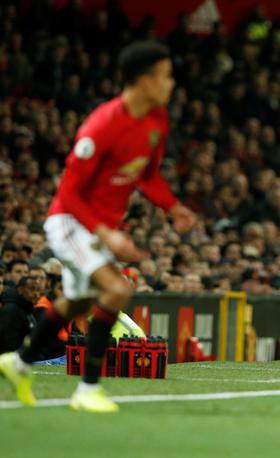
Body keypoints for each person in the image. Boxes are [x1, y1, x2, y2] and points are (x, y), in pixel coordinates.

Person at [0, 41, 196, 413]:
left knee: (81, 302)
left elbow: (149, 176)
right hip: (70, 221)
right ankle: (88, 388)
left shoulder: (157, 120)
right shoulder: (102, 125)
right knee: (117, 288)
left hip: (98, 228)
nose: (171, 84)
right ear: (144, 80)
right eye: (166, 76)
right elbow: (69, 192)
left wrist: (173, 207)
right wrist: (105, 233)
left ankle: (18, 362)